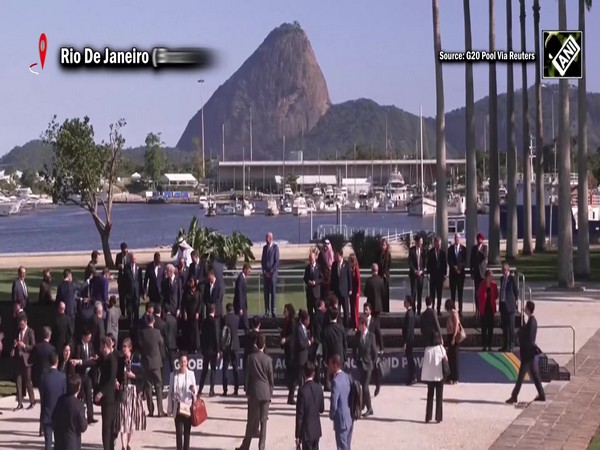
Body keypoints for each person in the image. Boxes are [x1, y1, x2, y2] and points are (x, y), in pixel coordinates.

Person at [236, 334, 274, 450]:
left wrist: (247, 391)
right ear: (264, 344)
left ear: (256, 344)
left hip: (254, 393)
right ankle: (261, 447)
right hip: (265, 393)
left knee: (251, 421)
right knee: (263, 422)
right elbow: (271, 379)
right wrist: (270, 393)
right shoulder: (268, 359)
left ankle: (245, 446)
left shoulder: (250, 358)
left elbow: (247, 377)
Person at [506, 300, 546, 404]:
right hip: (529, 353)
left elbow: (529, 338)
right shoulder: (531, 321)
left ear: (528, 309)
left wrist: (520, 333)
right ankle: (541, 394)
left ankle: (514, 396)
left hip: (528, 353)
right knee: (534, 374)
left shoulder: (532, 322)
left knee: (521, 376)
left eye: (525, 307)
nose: (524, 309)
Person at [116, 338, 146, 450]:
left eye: (125, 347)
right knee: (123, 420)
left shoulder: (137, 359)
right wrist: (116, 381)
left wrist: (134, 376)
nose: (123, 349)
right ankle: (123, 446)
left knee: (131, 420)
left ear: (130, 348)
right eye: (122, 347)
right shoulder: (120, 360)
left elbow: (143, 376)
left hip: (133, 392)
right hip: (123, 392)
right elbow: (116, 374)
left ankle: (128, 443)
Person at [138, 313, 166, 417]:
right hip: (156, 363)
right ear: (153, 321)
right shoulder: (157, 332)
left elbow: (140, 345)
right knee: (158, 386)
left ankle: (150, 410)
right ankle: (160, 410)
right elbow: (161, 342)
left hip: (146, 362)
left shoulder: (142, 333)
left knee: (148, 386)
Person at [168, 352, 197, 450]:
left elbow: (195, 392)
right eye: (181, 361)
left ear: (187, 362)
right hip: (178, 407)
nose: (183, 363)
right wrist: (169, 409)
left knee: (187, 433)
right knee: (179, 434)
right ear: (178, 362)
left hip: (187, 407)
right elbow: (170, 392)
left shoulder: (191, 374)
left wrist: (193, 390)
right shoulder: (173, 375)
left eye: (185, 361)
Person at [52, 374, 88, 450]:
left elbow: (53, 418)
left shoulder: (60, 400)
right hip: (72, 443)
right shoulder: (79, 405)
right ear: (78, 388)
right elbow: (83, 427)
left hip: (59, 442)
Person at [295, 361, 325, 450]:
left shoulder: (302, 391)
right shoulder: (319, 388)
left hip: (306, 431)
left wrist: (297, 435)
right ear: (314, 373)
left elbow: (300, 415)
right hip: (316, 429)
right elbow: (321, 409)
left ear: (304, 373)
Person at [95, 336, 118, 450]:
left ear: (105, 346)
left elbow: (111, 380)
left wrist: (101, 393)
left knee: (107, 427)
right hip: (106, 399)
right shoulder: (104, 358)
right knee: (106, 426)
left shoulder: (112, 360)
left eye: (101, 345)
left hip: (109, 398)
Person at [41, 351, 66, 450]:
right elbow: (64, 396)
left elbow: (43, 397)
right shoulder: (63, 377)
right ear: (57, 361)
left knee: (48, 443)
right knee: (59, 442)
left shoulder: (44, 377)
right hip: (59, 414)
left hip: (47, 412)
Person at [72, 329, 98, 424]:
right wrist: (87, 360)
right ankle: (78, 416)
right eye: (88, 337)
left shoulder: (90, 345)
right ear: (83, 337)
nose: (89, 339)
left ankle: (90, 416)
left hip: (88, 375)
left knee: (89, 396)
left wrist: (94, 358)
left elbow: (93, 357)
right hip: (80, 374)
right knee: (80, 396)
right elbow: (78, 361)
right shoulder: (78, 346)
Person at [328, 354, 353, 450]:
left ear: (335, 365)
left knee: (341, 447)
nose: (328, 367)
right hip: (349, 418)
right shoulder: (347, 377)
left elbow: (334, 403)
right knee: (347, 446)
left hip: (341, 421)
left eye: (330, 364)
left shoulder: (335, 381)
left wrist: (332, 415)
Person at [421, 332, 447, 423]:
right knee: (439, 397)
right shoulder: (441, 349)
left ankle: (428, 417)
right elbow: (446, 360)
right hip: (439, 376)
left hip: (430, 377)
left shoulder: (427, 349)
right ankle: (438, 417)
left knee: (430, 396)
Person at [11, 313, 36, 410]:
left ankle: (32, 401)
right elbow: (14, 342)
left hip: (27, 360)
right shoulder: (17, 331)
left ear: (25, 322)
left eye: (22, 325)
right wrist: (13, 349)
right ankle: (20, 402)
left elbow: (33, 346)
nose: (20, 327)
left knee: (28, 381)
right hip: (18, 359)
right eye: (19, 325)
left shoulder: (30, 332)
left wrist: (24, 346)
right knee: (18, 381)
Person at [354, 315, 377, 417]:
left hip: (369, 365)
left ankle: (370, 408)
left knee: (365, 387)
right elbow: (355, 348)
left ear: (363, 324)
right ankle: (363, 405)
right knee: (362, 386)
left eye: (359, 324)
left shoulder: (371, 336)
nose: (357, 326)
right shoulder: (357, 335)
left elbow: (374, 351)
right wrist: (356, 359)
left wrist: (372, 361)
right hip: (361, 364)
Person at [322, 308, 347, 390]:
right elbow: (344, 344)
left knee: (332, 375)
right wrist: (345, 356)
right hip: (340, 355)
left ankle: (331, 388)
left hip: (331, 356)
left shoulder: (326, 329)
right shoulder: (341, 328)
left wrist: (325, 358)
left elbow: (325, 346)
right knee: (340, 375)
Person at [199, 303, 220, 396]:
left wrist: (202, 347)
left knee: (204, 370)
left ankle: (200, 389)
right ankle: (211, 390)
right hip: (213, 349)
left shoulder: (204, 322)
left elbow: (202, 336)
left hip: (206, 349)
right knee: (213, 370)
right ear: (214, 311)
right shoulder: (215, 322)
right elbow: (216, 336)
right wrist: (218, 349)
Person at [499, 261, 519, 352]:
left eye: (504, 270)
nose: (503, 271)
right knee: (505, 327)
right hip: (503, 306)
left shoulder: (512, 279)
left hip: (510, 307)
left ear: (508, 270)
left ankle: (511, 345)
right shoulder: (502, 279)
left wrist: (514, 301)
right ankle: (505, 345)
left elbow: (516, 291)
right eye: (502, 270)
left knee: (511, 327)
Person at [292, 309, 311, 403]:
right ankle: (297, 397)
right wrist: (309, 342)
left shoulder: (303, 328)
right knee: (299, 379)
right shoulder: (299, 329)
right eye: (308, 320)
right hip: (300, 357)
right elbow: (301, 344)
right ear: (304, 320)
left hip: (303, 357)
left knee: (299, 379)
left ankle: (294, 396)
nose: (309, 322)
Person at [222, 303, 240, 396]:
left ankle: (225, 390)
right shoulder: (237, 318)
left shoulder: (224, 318)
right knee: (235, 368)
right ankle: (236, 389)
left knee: (225, 368)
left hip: (227, 345)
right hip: (235, 345)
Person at [477, 269, 498, 351]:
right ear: (486, 276)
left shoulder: (494, 284)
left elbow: (496, 295)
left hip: (491, 308)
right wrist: (485, 289)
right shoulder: (482, 284)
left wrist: (492, 293)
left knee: (490, 328)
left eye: (492, 276)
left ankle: (489, 345)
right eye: (490, 276)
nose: (491, 277)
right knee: (484, 328)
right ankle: (484, 345)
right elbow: (479, 295)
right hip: (484, 308)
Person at [331, 250, 352, 328]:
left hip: (345, 291)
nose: (335, 257)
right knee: (337, 309)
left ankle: (346, 325)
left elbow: (349, 277)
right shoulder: (334, 264)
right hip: (336, 291)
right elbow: (332, 278)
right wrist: (331, 289)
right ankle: (339, 325)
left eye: (337, 256)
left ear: (341, 256)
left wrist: (350, 289)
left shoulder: (346, 264)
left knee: (346, 309)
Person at [281, 303, 297, 404]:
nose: (284, 312)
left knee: (292, 374)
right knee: (289, 372)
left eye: (285, 310)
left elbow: (292, 335)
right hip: (287, 350)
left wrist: (285, 340)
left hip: (291, 350)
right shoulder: (285, 321)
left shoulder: (292, 322)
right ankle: (290, 394)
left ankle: (291, 395)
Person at [427, 236, 447, 315]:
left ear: (440, 244)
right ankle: (432, 308)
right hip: (433, 276)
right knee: (432, 294)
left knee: (439, 294)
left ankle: (438, 309)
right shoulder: (430, 252)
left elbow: (444, 265)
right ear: (434, 244)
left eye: (439, 243)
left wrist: (445, 274)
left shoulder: (443, 253)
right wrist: (428, 274)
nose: (438, 245)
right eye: (436, 243)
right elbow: (428, 264)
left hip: (440, 277)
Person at [261, 231, 280, 317]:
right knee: (266, 293)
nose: (265, 239)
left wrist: (271, 272)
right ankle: (266, 311)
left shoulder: (275, 248)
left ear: (271, 238)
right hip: (266, 275)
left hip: (273, 275)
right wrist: (265, 271)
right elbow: (262, 261)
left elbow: (276, 262)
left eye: (267, 238)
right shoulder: (264, 248)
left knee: (273, 293)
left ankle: (273, 310)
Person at [448, 233, 467, 315]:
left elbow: (465, 261)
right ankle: (453, 310)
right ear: (454, 239)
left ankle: (460, 310)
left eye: (458, 238)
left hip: (460, 275)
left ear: (460, 239)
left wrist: (459, 268)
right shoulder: (450, 249)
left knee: (460, 293)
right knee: (453, 294)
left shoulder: (463, 249)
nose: (457, 239)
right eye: (456, 238)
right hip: (453, 274)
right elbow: (449, 260)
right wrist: (454, 267)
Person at [470, 233, 488, 314]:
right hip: (476, 273)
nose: (479, 240)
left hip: (482, 273)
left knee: (483, 292)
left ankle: (483, 308)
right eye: (478, 239)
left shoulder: (485, 247)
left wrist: (480, 250)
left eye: (480, 239)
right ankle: (477, 309)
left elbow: (484, 256)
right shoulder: (474, 248)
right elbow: (471, 260)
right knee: (477, 292)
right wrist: (471, 270)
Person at [182, 276, 201, 352]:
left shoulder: (198, 292)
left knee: (195, 330)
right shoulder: (186, 292)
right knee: (188, 330)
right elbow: (183, 303)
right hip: (188, 313)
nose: (190, 283)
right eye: (190, 282)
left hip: (195, 314)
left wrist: (198, 312)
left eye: (192, 281)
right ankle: (189, 346)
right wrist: (184, 312)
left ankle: (196, 347)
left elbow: (200, 303)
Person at [408, 235, 426, 314]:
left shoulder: (423, 251)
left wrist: (421, 271)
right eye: (419, 242)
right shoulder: (411, 250)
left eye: (422, 242)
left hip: (421, 275)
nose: (421, 243)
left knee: (420, 293)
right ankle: (414, 309)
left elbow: (425, 263)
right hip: (414, 275)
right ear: (416, 242)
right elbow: (410, 262)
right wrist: (415, 271)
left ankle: (419, 310)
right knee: (414, 293)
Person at [445, 299, 461, 384]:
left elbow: (456, 326)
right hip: (450, 336)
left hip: (453, 337)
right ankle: (450, 377)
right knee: (450, 357)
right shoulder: (451, 313)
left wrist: (453, 338)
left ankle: (455, 378)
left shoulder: (454, 313)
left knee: (454, 358)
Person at [125, 253, 143, 326]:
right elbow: (124, 281)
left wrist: (142, 292)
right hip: (129, 293)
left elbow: (140, 281)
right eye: (132, 259)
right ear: (130, 259)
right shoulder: (127, 268)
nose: (134, 260)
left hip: (136, 293)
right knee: (129, 310)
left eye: (135, 259)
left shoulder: (139, 269)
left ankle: (136, 324)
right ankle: (130, 324)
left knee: (136, 310)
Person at [303, 249, 322, 319]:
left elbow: (322, 278)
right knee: (310, 311)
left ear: (315, 258)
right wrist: (308, 281)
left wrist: (315, 282)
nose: (311, 260)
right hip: (309, 293)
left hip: (316, 294)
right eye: (310, 259)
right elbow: (305, 278)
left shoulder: (319, 267)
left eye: (312, 259)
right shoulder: (307, 268)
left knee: (317, 311)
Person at [403, 296, 417, 385]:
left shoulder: (409, 314)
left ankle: (412, 376)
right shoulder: (411, 313)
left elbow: (408, 329)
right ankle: (413, 376)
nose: (404, 302)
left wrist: (405, 342)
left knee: (410, 358)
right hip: (410, 338)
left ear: (408, 303)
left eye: (405, 301)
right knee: (410, 358)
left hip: (409, 340)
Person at [115, 242, 130, 319]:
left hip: (127, 280)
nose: (125, 253)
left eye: (126, 251)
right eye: (124, 251)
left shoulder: (130, 256)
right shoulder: (118, 256)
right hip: (121, 280)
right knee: (121, 297)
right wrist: (119, 266)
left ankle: (128, 312)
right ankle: (123, 313)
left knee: (128, 297)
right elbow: (115, 265)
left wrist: (126, 267)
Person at [234, 263, 251, 331]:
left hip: (242, 305)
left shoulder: (242, 278)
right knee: (245, 323)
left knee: (243, 322)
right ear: (245, 270)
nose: (249, 273)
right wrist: (241, 308)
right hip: (240, 305)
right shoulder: (241, 279)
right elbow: (240, 293)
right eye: (248, 271)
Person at [378, 239, 392, 313]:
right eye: (382, 245)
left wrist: (385, 273)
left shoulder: (388, 255)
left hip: (385, 276)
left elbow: (388, 265)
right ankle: (381, 309)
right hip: (380, 276)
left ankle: (386, 309)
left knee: (386, 294)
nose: (383, 246)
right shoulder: (379, 254)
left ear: (386, 246)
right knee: (380, 294)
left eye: (384, 245)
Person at [348, 254, 361, 330]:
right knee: (352, 307)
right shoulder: (350, 268)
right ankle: (353, 323)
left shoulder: (356, 268)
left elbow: (358, 281)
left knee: (356, 308)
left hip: (355, 292)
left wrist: (358, 292)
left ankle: (356, 324)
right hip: (351, 291)